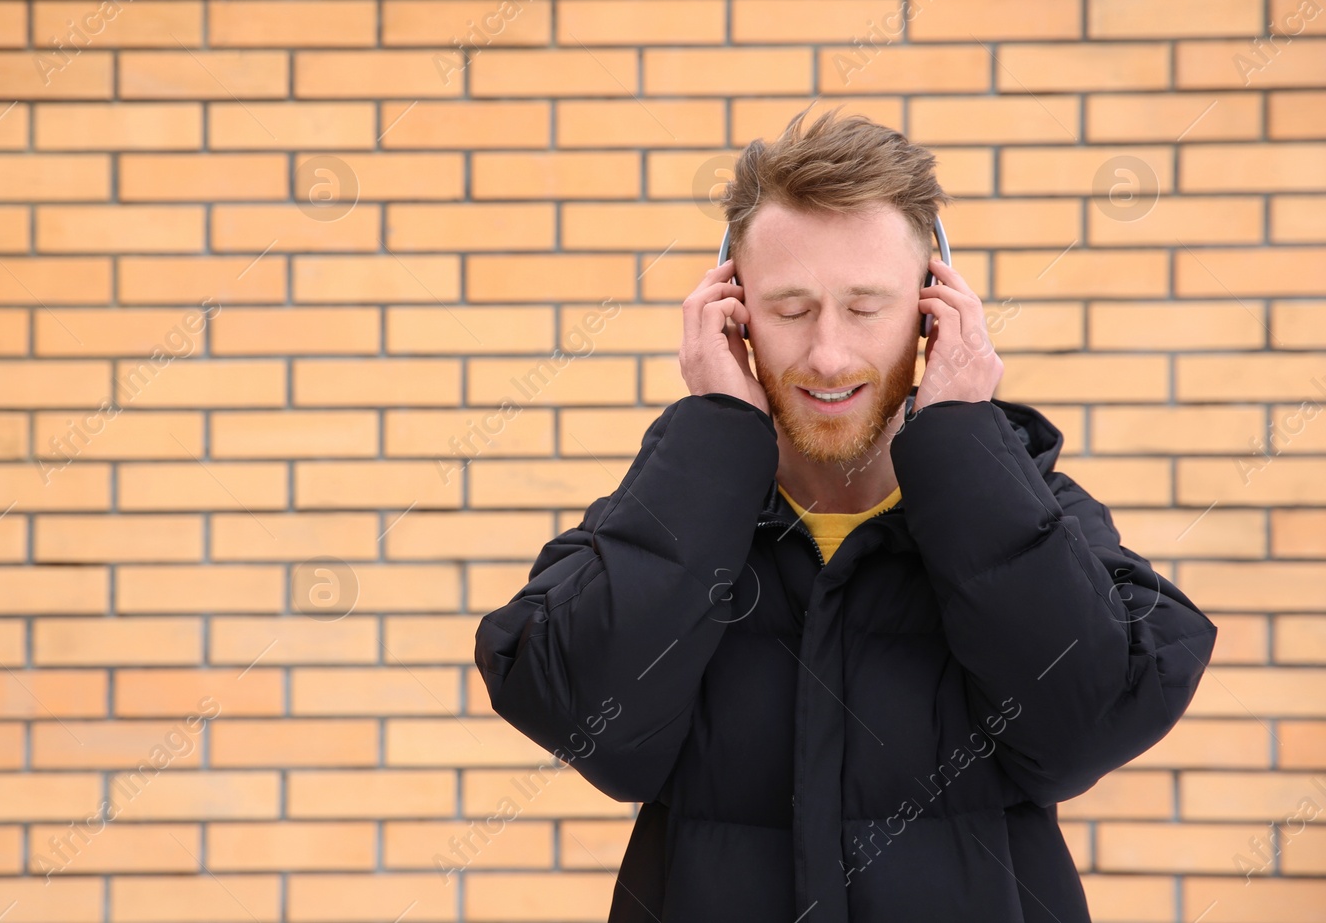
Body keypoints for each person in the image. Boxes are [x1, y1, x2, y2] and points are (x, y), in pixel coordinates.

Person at [473, 109, 1217, 922]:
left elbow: (1084, 725)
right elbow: (595, 728)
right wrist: (718, 433)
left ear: (935, 311)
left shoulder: (1028, 508)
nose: (828, 353)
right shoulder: (677, 503)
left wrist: (965, 441)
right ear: (734, 311)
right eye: (790, 308)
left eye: (867, 307)